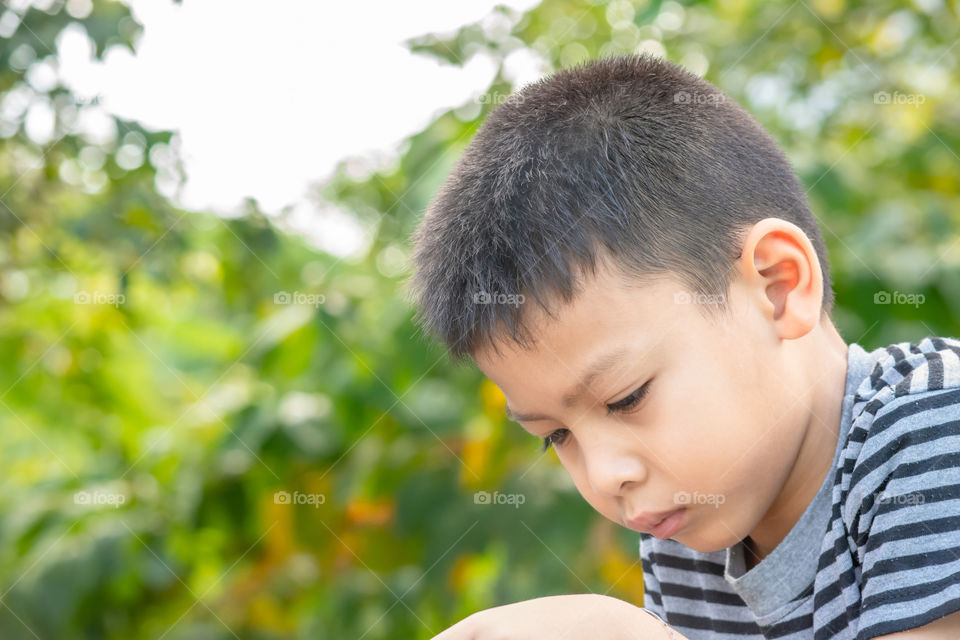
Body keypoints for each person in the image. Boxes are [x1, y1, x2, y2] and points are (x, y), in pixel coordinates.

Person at [407, 54, 960, 639]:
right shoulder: (692, 531)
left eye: (626, 399)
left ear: (778, 286)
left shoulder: (934, 426)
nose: (605, 477)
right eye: (556, 437)